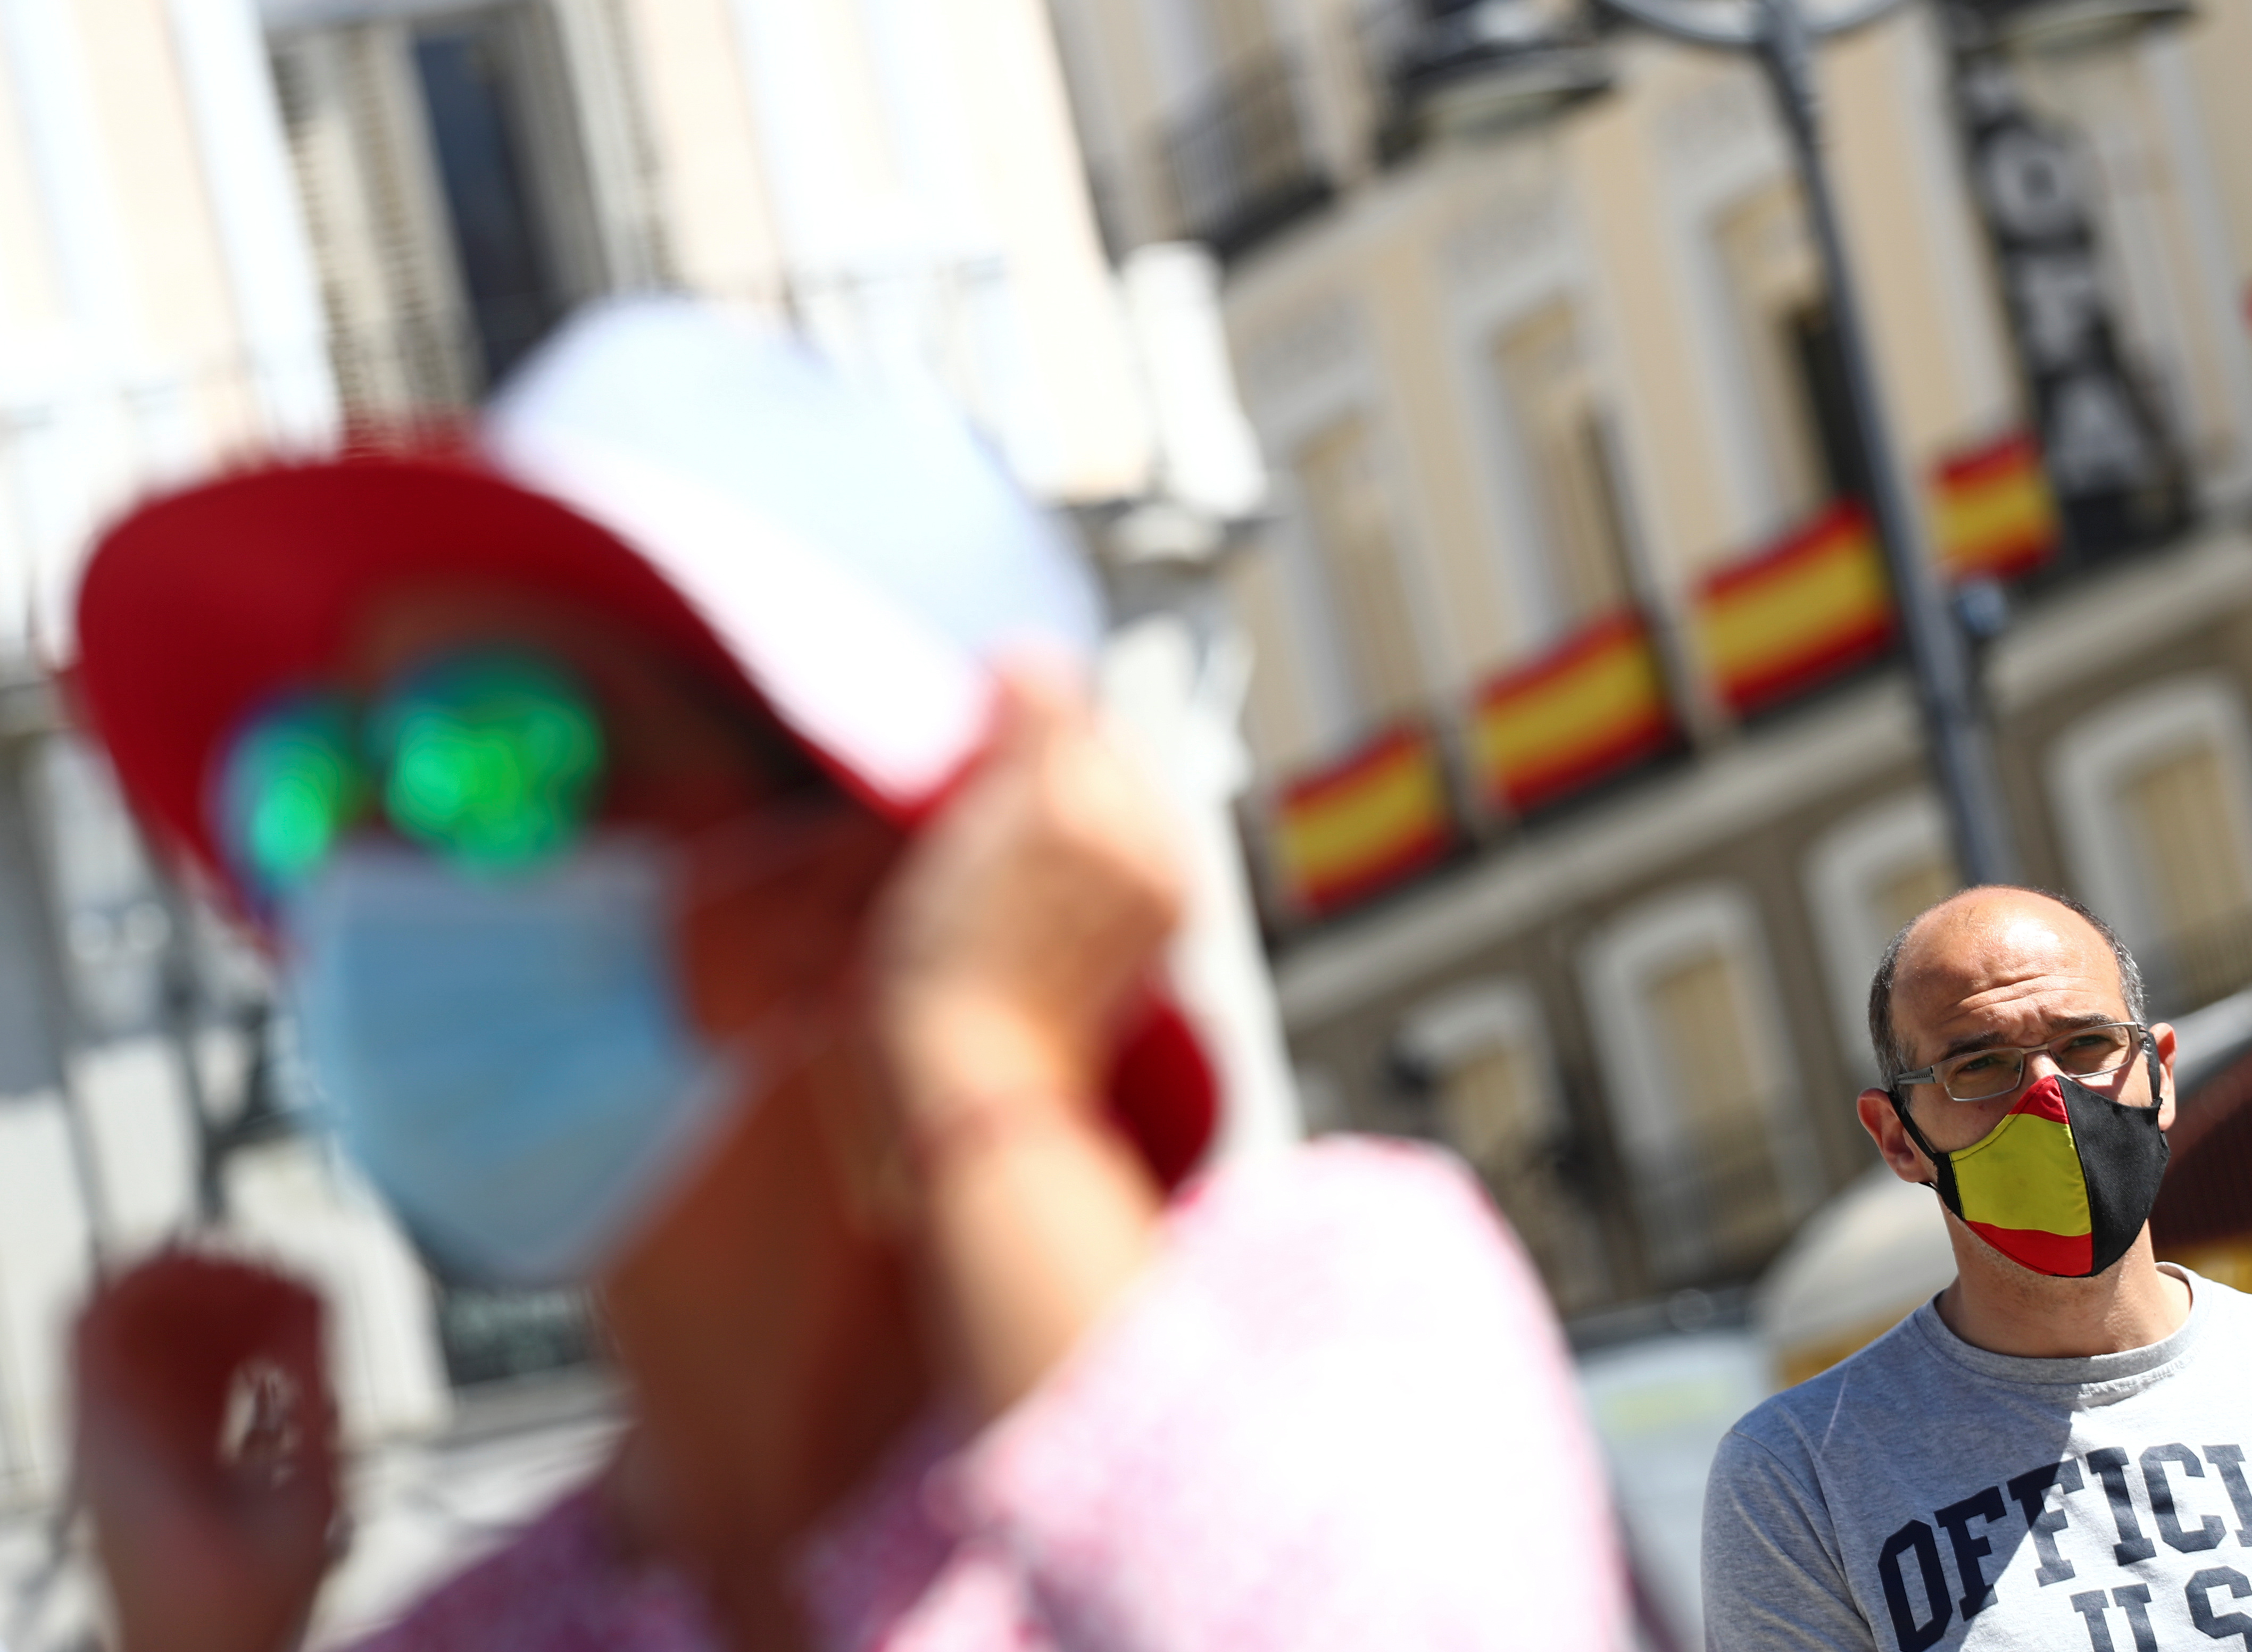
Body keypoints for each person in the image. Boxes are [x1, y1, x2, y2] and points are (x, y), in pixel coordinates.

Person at [66, 301, 1623, 1652]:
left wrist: (984, 1071)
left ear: (863, 870)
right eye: (312, 788)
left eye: (490, 762)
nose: (366, 877)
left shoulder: (1333, 1312)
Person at [1701, 885, 2252, 1652]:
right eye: (1979, 1066)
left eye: (2087, 1044)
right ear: (1897, 1136)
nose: (2050, 1095)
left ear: (2159, 1073)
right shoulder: (1800, 1479)